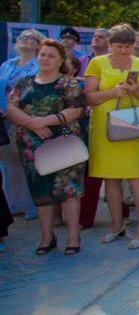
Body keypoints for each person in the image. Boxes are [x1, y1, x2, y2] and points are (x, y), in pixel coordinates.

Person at [6, 39, 86, 254]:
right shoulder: (24, 82)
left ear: (61, 60)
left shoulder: (69, 83)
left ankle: (72, 236)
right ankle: (46, 236)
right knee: (41, 192)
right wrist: (32, 123)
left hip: (63, 142)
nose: (46, 59)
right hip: (32, 145)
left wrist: (46, 120)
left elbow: (76, 110)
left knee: (68, 190)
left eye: (51, 55)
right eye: (42, 54)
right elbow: (11, 108)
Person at [84, 23, 139, 249]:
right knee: (110, 178)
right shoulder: (96, 63)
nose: (124, 51)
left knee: (136, 177)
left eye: (127, 46)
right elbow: (89, 97)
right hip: (104, 126)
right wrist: (112, 92)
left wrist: (135, 90)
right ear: (109, 44)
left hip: (131, 126)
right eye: (119, 46)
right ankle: (117, 225)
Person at [0, 28, 42, 220]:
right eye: (22, 37)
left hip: (27, 119)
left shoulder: (39, 65)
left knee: (30, 163)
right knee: (9, 164)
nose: (25, 39)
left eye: (30, 37)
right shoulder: (7, 64)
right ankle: (14, 203)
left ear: (38, 43)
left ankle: (33, 205)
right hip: (4, 120)